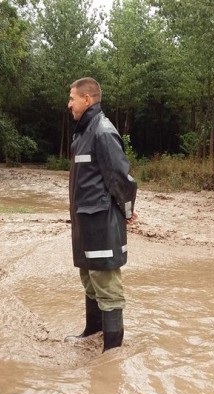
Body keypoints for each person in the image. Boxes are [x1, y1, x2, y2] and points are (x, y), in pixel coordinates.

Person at [65, 77, 138, 352]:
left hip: (103, 224)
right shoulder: (83, 132)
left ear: (87, 99)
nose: (68, 103)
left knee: (107, 285)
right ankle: (93, 332)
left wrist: (127, 211)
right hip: (85, 224)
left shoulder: (102, 132)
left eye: (72, 98)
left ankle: (112, 353)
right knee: (90, 278)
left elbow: (122, 178)